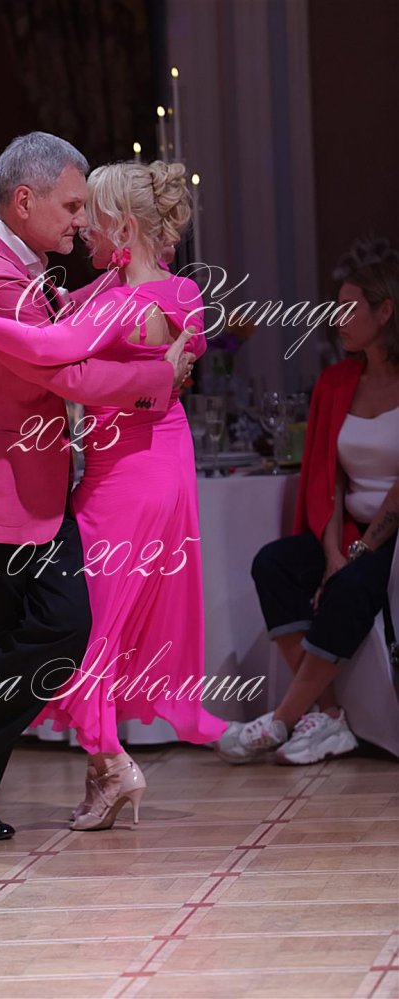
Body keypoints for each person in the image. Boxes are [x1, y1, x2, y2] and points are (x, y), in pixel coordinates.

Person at [0, 132, 197, 848]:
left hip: (29, 486)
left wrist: (135, 279)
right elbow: (61, 370)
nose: (79, 220)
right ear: (24, 200)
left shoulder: (19, 263)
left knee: (51, 631)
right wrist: (157, 378)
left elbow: (75, 322)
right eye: (71, 206)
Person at [217, 243, 399, 766]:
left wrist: (359, 552)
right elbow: (328, 476)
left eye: (349, 308)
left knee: (351, 584)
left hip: (391, 535)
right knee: (273, 564)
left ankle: (282, 718)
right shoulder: (338, 381)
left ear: (385, 311)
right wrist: (334, 549)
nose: (336, 319)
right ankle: (329, 714)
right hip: (349, 528)